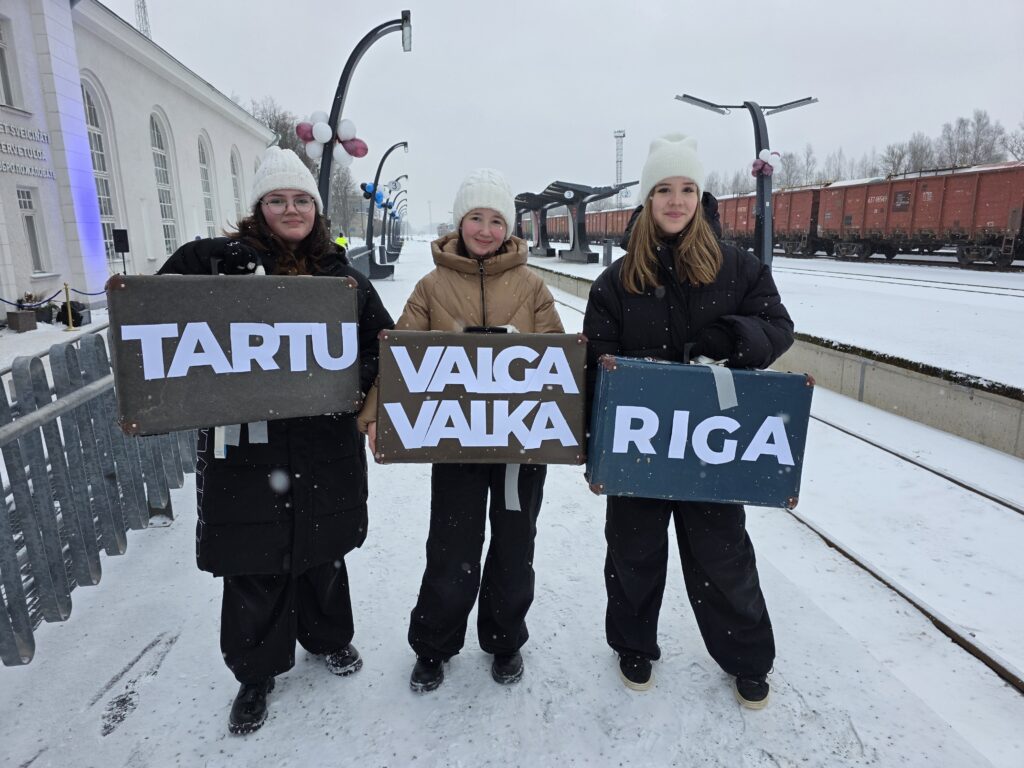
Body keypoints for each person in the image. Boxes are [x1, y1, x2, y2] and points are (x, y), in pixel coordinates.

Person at [158, 146, 393, 734]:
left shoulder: (342, 277)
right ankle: (255, 672)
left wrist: (349, 383)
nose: (291, 210)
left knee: (323, 550)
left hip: (323, 442)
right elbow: (156, 307)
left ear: (316, 209)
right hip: (247, 445)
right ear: (259, 208)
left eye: (301, 200)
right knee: (252, 559)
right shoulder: (219, 267)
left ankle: (328, 637)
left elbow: (383, 344)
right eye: (278, 200)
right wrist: (214, 262)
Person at [583, 133, 794, 709]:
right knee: (633, 552)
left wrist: (735, 337)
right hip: (640, 444)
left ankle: (747, 658)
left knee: (723, 556)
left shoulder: (739, 269)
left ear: (700, 197)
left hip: (710, 444)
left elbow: (778, 328)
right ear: (648, 199)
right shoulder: (616, 281)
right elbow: (595, 364)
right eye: (663, 189)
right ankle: (633, 645)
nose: (675, 201)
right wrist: (595, 444)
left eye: (686, 189)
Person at [358, 168, 564, 692]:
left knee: (514, 545)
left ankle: (505, 638)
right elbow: (400, 353)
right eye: (476, 217)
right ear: (460, 222)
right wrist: (376, 411)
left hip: (520, 443)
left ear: (508, 227)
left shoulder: (532, 286)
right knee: (452, 544)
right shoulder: (432, 287)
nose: (486, 230)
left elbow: (560, 362)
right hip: (454, 440)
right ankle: (435, 643)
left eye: (496, 220)